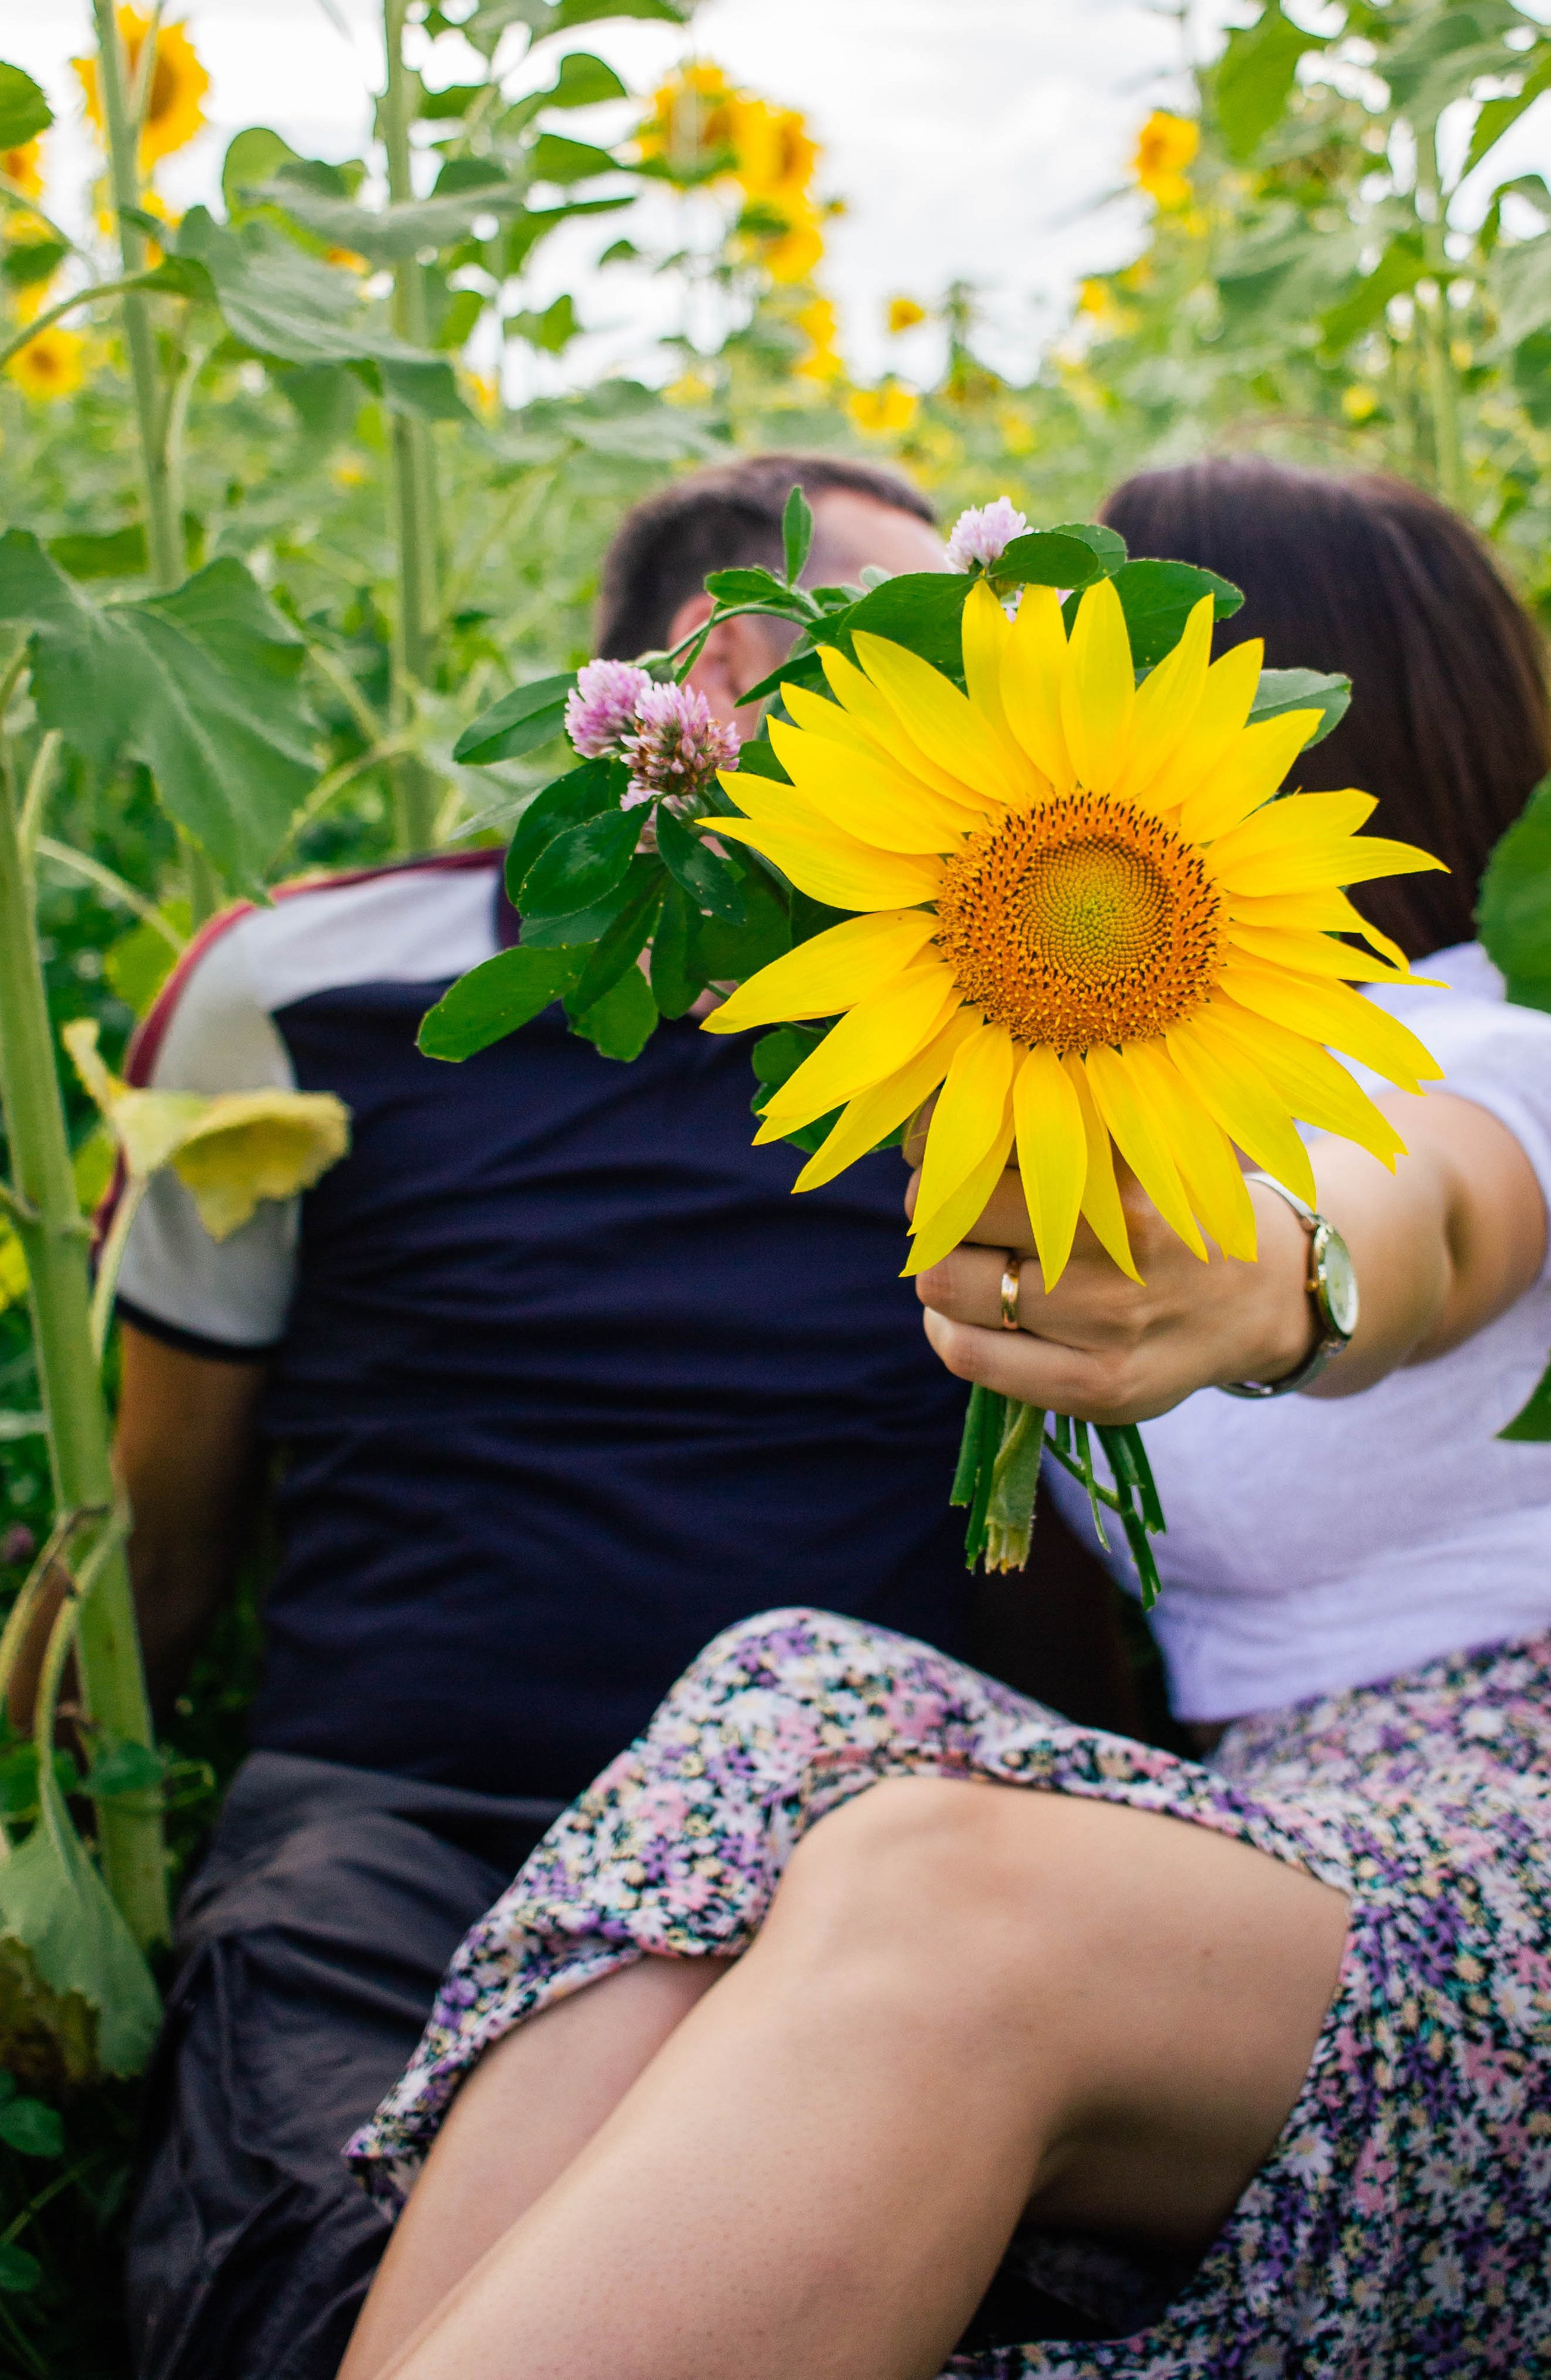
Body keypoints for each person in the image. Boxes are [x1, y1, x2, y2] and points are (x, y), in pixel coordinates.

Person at [335, 458, 1551, 2380]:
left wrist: (1278, 1290)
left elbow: (1405, 1215)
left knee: (943, 1894)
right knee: (789, 1703)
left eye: (1061, 666)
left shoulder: (1518, 1056)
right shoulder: (1070, 1053)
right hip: (1316, 1834)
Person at [114, 451, 1137, 2380]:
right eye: (919, 657)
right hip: (403, 1828)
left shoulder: (984, 1007)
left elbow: (1038, 1528)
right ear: (712, 671)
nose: (983, 724)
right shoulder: (307, 984)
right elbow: (163, 1531)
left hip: (840, 1862)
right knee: (323, 2286)